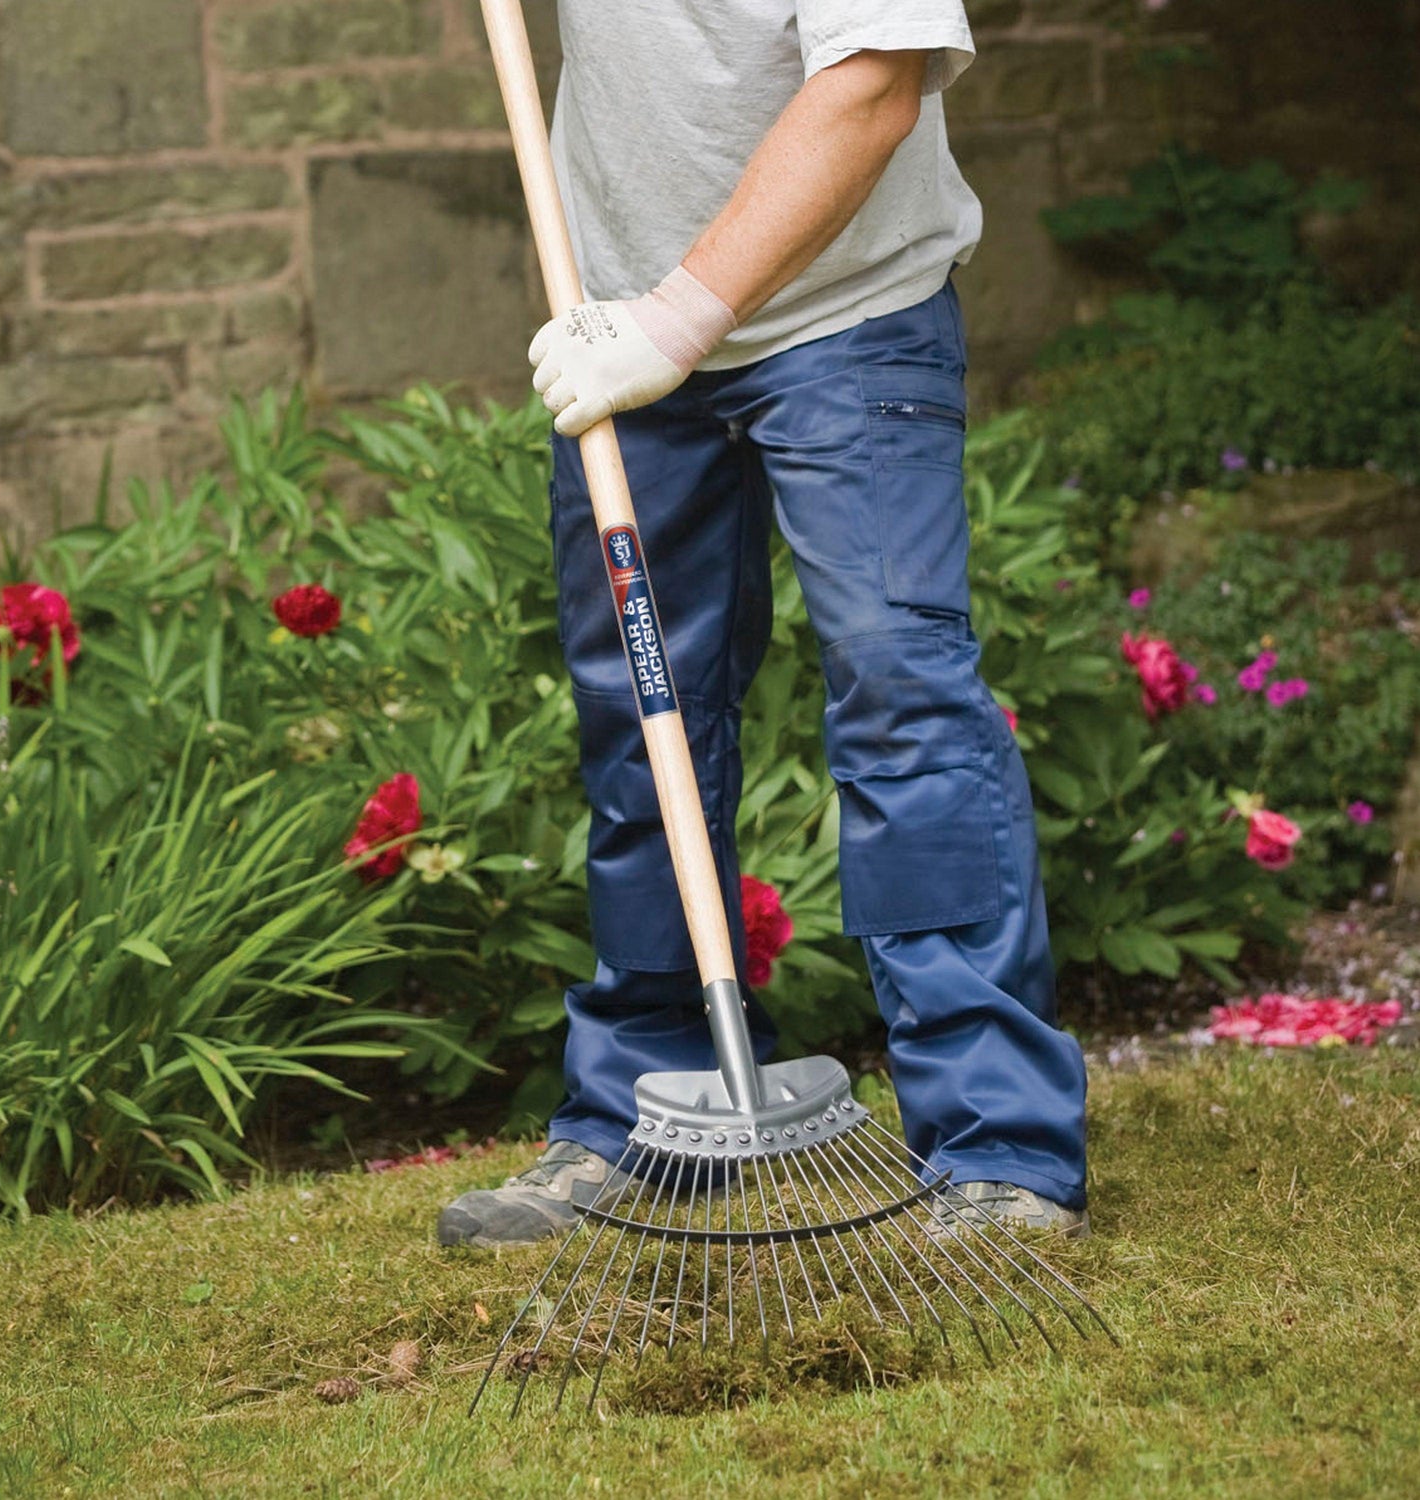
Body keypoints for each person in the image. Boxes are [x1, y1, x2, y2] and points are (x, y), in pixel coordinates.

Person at [438, 0, 1089, 1248]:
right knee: (646, 718)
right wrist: (637, 325)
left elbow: (875, 85)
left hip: (848, 321)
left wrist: (678, 326)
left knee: (905, 698)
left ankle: (995, 1146)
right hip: (617, 319)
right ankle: (646, 1115)